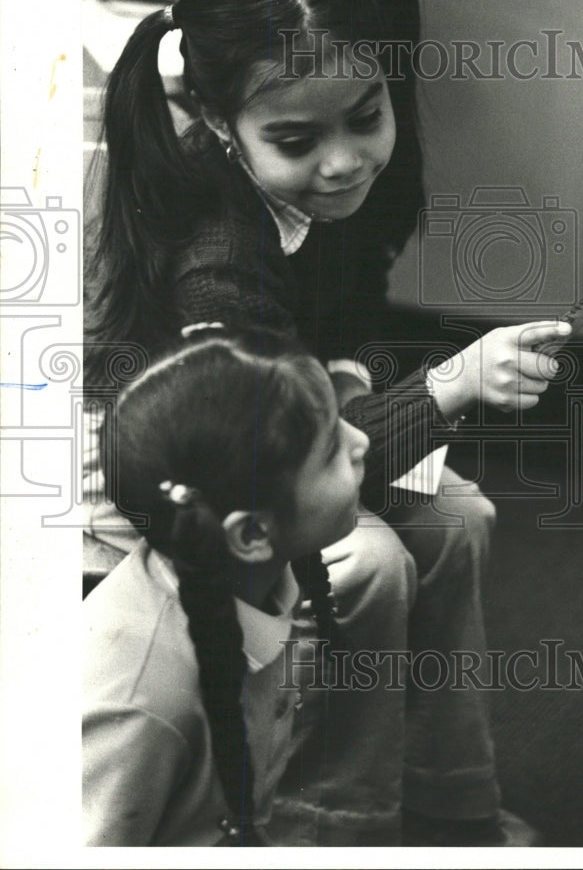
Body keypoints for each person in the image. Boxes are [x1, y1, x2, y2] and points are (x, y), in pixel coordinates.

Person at [84, 0, 571, 845]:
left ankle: (446, 796)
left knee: (461, 520)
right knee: (374, 564)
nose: (345, 160)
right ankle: (326, 824)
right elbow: (273, 477)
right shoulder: (216, 260)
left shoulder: (316, 192)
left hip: (286, 435)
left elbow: (331, 338)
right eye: (300, 139)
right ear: (225, 125)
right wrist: (448, 390)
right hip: (184, 495)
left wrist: (356, 389)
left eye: (365, 115)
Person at [83, 333, 371, 846]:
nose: (361, 441)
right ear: (253, 534)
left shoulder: (258, 581)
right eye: (331, 451)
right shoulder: (140, 705)